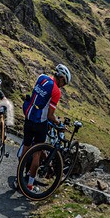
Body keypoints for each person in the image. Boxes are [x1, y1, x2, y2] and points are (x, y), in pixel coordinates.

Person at [19, 64, 72, 193]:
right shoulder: (56, 91)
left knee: (25, 150)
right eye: (64, 82)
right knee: (36, 155)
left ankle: (18, 181)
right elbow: (50, 115)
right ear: (60, 77)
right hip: (40, 123)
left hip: (29, 117)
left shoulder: (41, 77)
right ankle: (30, 185)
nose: (63, 86)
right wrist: (59, 123)